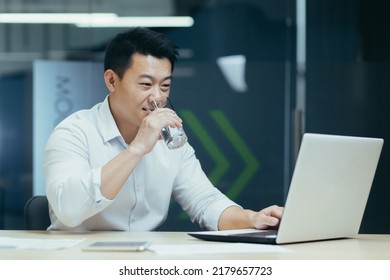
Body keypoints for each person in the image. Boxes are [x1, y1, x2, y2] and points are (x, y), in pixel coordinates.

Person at [44, 27, 283, 231]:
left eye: (165, 86)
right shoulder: (73, 133)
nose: (157, 97)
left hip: (146, 262)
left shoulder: (172, 140)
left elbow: (205, 201)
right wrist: (137, 148)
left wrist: (252, 219)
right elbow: (69, 210)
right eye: (146, 84)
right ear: (112, 81)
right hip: (80, 262)